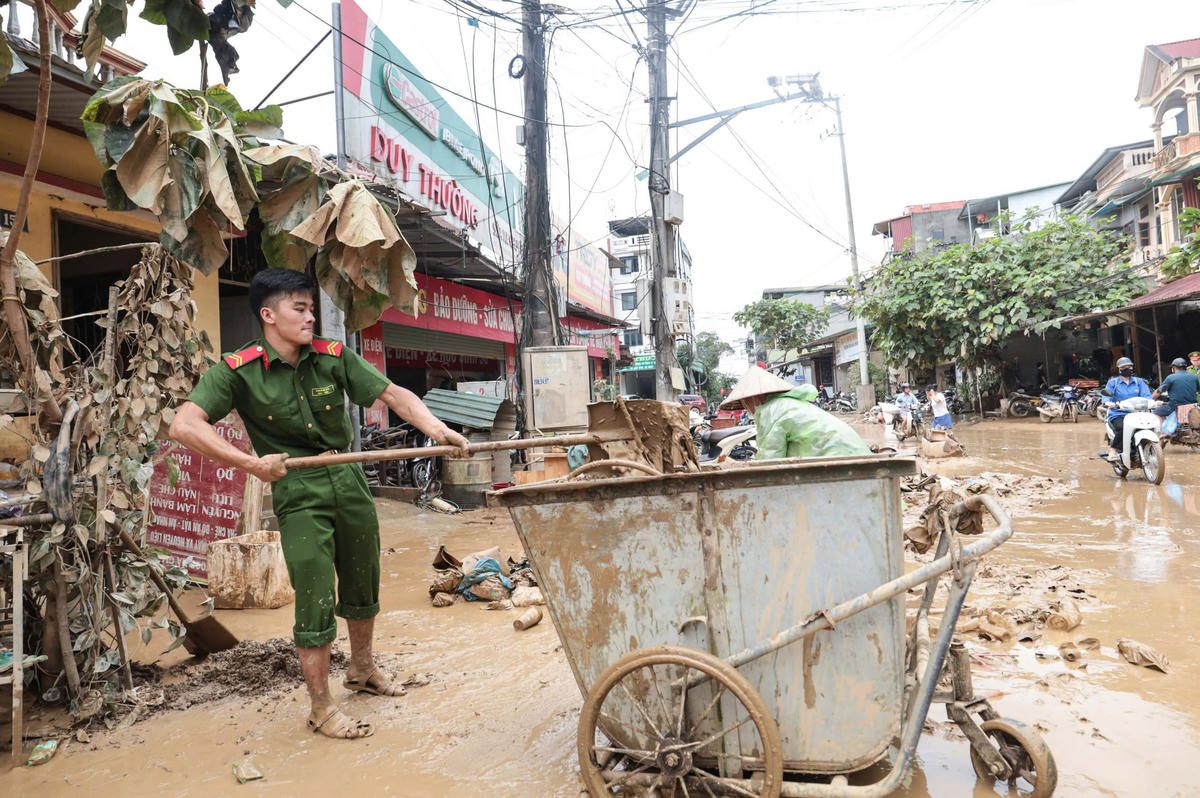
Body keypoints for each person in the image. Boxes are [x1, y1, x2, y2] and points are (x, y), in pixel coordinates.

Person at [169, 269, 470, 740]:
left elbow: (392, 393)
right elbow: (185, 425)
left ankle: (363, 671)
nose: (311, 317)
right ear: (268, 315)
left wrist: (437, 430)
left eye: (312, 308)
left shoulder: (333, 357)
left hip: (348, 477)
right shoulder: (236, 370)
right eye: (300, 308)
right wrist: (250, 464)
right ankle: (321, 706)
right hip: (298, 487)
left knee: (363, 577)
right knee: (313, 593)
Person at [719, 367, 869, 459]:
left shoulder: (770, 412)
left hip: (840, 462)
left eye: (745, 403)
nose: (746, 408)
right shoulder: (790, 404)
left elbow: (769, 461)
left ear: (753, 398)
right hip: (858, 456)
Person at [1102, 356, 1152, 461]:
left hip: (1137, 413)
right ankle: (1113, 450)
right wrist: (1108, 402)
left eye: (1129, 367)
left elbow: (1147, 396)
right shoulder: (1113, 383)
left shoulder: (1139, 382)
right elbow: (1106, 397)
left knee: (1150, 426)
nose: (1127, 369)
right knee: (1122, 428)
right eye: (1124, 367)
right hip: (1118, 414)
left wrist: (1153, 402)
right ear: (1119, 369)